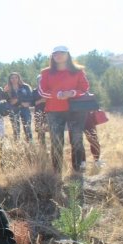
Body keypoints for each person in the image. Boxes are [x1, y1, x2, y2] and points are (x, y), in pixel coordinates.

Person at [39, 45, 90, 173]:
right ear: (52, 56)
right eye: (55, 53)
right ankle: (57, 172)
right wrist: (57, 94)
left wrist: (72, 93)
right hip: (54, 111)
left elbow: (84, 88)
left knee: (77, 140)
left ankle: (78, 170)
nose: (58, 55)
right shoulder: (46, 72)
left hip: (76, 110)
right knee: (56, 142)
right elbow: (42, 91)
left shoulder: (78, 71)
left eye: (61, 53)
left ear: (68, 55)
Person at [4, 72, 33, 141]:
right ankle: (17, 143)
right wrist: (5, 92)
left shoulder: (25, 86)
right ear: (9, 79)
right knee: (16, 128)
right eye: (12, 78)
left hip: (24, 108)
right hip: (13, 109)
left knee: (27, 127)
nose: (14, 79)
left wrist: (27, 103)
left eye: (16, 77)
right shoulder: (8, 88)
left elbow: (31, 97)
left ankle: (30, 143)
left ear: (19, 78)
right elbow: (7, 100)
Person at [32, 75, 48, 147]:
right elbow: (32, 103)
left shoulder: (49, 90)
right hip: (39, 112)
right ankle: (42, 148)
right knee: (41, 131)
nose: (41, 82)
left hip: (50, 112)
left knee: (53, 131)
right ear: (37, 82)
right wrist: (41, 100)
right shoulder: (34, 91)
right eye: (39, 80)